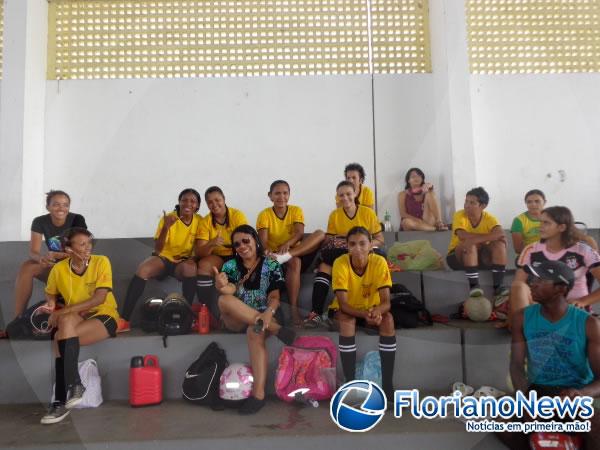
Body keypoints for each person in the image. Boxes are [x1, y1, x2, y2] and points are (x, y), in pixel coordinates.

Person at [503, 260, 600, 449]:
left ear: (560, 288)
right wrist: (526, 401)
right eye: (532, 278)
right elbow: (516, 365)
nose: (532, 283)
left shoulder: (589, 324)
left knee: (596, 431)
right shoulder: (522, 317)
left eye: (540, 279)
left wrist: (581, 393)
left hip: (573, 393)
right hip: (537, 391)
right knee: (501, 420)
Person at [40, 228, 119, 424]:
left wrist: (62, 311)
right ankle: (75, 385)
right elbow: (50, 292)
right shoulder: (59, 270)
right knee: (64, 324)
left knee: (59, 339)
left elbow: (99, 298)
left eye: (89, 243)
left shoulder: (102, 261)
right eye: (81, 244)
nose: (87, 248)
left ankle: (59, 401)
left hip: (104, 316)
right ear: (69, 249)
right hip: (76, 316)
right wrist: (51, 304)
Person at [214, 225, 296, 414]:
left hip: (268, 313)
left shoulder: (271, 264)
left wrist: (268, 312)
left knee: (255, 331)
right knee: (223, 299)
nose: (242, 246)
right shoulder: (230, 266)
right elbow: (230, 291)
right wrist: (222, 285)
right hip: (238, 317)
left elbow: (274, 296)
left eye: (246, 241)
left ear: (255, 241)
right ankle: (275, 329)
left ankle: (258, 396)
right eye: (237, 244)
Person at [118, 189, 202, 331]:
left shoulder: (200, 221)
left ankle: (187, 318)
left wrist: (190, 259)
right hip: (163, 259)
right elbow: (157, 249)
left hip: (181, 264)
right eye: (184, 200)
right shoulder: (169, 218)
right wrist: (166, 227)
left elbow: (200, 247)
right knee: (143, 269)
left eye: (192, 201)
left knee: (191, 267)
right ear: (179, 202)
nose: (188, 203)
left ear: (197, 206)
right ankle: (125, 319)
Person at [304, 180, 384, 328]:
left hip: (366, 254)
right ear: (337, 197)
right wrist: (341, 242)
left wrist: (362, 247)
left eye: (348, 194)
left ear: (355, 194)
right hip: (343, 252)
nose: (345, 197)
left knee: (380, 256)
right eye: (341, 195)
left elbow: (380, 239)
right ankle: (315, 313)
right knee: (324, 265)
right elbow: (328, 240)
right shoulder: (335, 215)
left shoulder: (368, 212)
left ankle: (374, 308)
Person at [329, 226, 396, 400]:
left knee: (388, 320)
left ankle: (388, 385)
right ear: (347, 246)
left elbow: (386, 302)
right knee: (347, 320)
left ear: (371, 245)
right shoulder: (340, 263)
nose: (357, 248)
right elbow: (343, 305)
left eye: (362, 243)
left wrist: (376, 312)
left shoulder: (379, 262)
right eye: (352, 244)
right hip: (347, 311)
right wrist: (366, 315)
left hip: (370, 311)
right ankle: (350, 382)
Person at [510, 206, 600, 320]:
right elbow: (519, 283)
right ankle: (523, 328)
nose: (540, 226)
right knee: (518, 287)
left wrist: (583, 301)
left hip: (574, 308)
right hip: (542, 306)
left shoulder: (583, 250)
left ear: (561, 227)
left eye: (546, 223)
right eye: (540, 222)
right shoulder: (531, 249)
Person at [256, 180, 325, 325]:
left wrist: (288, 246)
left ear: (289, 195)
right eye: (277, 193)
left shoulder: (296, 210)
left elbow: (300, 233)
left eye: (285, 193)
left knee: (320, 234)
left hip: (295, 252)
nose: (281, 197)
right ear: (270, 196)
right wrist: (269, 252)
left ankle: (288, 255)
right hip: (277, 259)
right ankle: (294, 311)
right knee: (295, 261)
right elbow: (263, 241)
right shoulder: (264, 214)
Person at [13, 190, 87, 318]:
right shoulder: (39, 221)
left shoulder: (77, 219)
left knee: (32, 266)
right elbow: (33, 252)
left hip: (75, 269)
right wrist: (42, 258)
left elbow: (82, 252)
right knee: (27, 266)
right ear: (48, 207)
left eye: (65, 205)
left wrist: (61, 255)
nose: (61, 208)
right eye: (56, 204)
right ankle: (17, 320)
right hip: (56, 267)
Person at [195, 186, 248, 319]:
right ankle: (206, 311)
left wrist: (232, 246)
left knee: (245, 263)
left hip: (238, 254)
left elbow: (245, 241)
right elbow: (200, 252)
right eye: (210, 202)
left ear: (224, 199)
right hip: (217, 256)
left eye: (217, 200)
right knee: (203, 265)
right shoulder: (205, 221)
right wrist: (211, 243)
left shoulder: (237, 215)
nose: (214, 204)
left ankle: (246, 310)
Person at [446, 187, 508, 300]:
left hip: (480, 258)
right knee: (470, 244)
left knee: (499, 244)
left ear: (483, 206)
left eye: (472, 202)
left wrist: (477, 240)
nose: (467, 205)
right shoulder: (459, 215)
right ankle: (474, 287)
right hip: (456, 257)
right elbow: (462, 236)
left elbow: (501, 234)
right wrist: (486, 239)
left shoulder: (490, 218)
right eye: (466, 201)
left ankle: (498, 287)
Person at [510, 189, 546, 255]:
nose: (533, 204)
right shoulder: (518, 221)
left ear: (544, 202)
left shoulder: (553, 217)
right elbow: (518, 249)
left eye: (537, 201)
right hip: (528, 255)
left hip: (551, 254)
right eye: (529, 202)